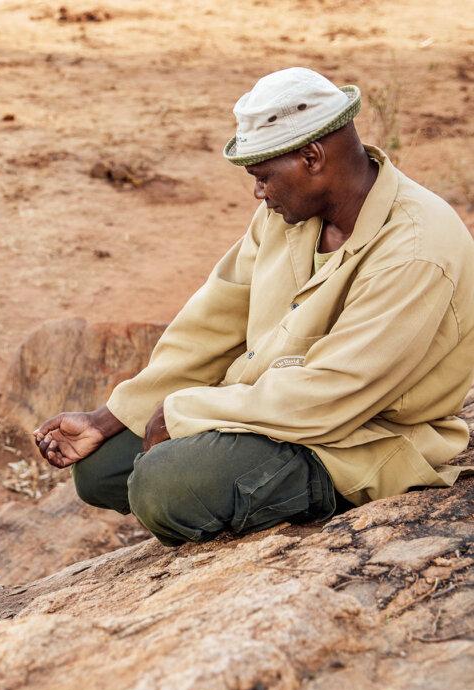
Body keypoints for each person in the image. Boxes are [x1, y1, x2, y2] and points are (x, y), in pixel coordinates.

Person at [34, 67, 474, 547]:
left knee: (162, 488)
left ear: (311, 157)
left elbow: (333, 395)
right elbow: (211, 324)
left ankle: (294, 497)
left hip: (359, 439)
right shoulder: (288, 216)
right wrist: (109, 417)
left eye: (263, 176)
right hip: (267, 407)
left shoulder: (415, 249)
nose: (258, 193)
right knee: (100, 469)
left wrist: (186, 411)